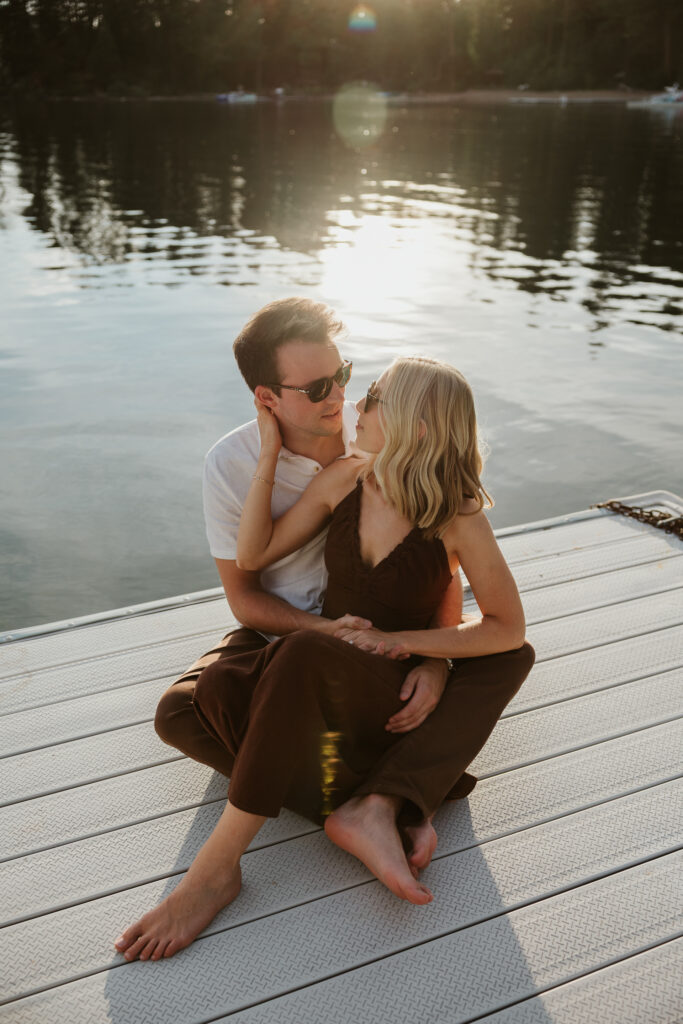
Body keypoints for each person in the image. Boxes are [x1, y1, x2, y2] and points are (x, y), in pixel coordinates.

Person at [114, 301, 533, 962]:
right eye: (318, 389)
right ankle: (387, 803)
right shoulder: (329, 473)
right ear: (268, 397)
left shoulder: (439, 501)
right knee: (195, 706)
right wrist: (269, 455)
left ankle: (216, 870)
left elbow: (484, 611)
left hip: (374, 668)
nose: (344, 400)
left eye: (351, 382)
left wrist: (426, 654)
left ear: (416, 426)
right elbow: (250, 571)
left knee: (510, 656)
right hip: (303, 643)